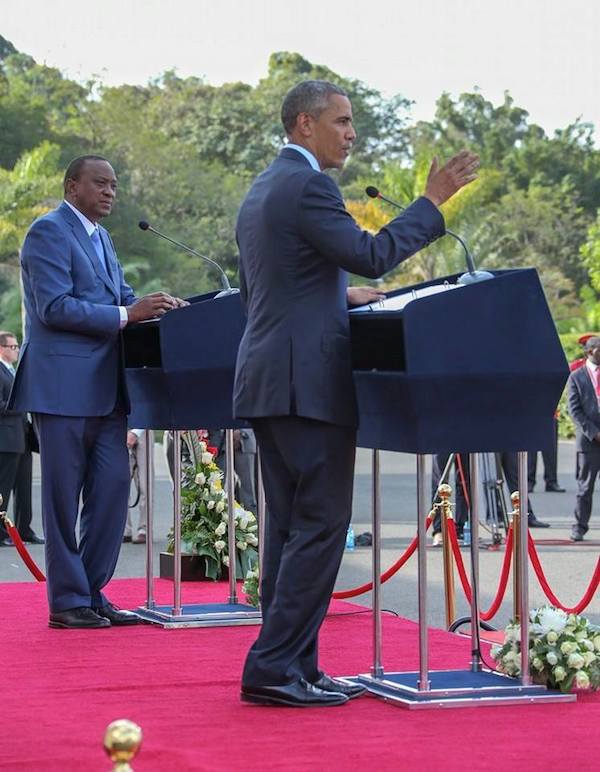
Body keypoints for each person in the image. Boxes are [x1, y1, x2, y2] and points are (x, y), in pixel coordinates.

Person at [233, 80, 479, 707]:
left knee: (291, 532)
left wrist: (335, 298)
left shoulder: (265, 186)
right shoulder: (310, 185)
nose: (351, 133)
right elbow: (371, 254)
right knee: (319, 527)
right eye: (341, 121)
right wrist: (431, 202)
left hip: (270, 379)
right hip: (304, 384)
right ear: (303, 124)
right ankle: (272, 667)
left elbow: (276, 286)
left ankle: (297, 665)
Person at [9, 155, 186, 628]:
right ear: (72, 186)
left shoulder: (103, 238)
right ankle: (67, 603)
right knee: (63, 499)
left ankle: (91, 591)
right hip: (63, 388)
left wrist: (162, 308)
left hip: (108, 390)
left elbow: (122, 297)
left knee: (110, 493)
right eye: (100, 183)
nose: (110, 192)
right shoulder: (48, 232)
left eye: (114, 185)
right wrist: (129, 315)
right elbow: (53, 307)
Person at [0, 331, 43, 546]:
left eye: (17, 346)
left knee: (24, 488)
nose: (16, 350)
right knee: (3, 489)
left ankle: (24, 529)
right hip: (6, 439)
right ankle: (1, 532)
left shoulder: (12, 370)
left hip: (22, 437)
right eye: (13, 347)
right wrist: (20, 403)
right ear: (1, 349)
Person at [567, 335, 600, 541]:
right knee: (585, 488)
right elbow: (575, 410)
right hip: (589, 443)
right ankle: (579, 527)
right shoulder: (576, 377)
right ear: (590, 351)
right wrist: (594, 433)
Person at [527, 415, 564, 492]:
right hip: (530, 411)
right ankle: (529, 481)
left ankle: (551, 481)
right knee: (530, 449)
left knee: (550, 449)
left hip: (549, 412)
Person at [124, 428, 148, 544]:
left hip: (144, 428)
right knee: (121, 483)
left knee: (145, 484)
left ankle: (144, 528)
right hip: (121, 425)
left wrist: (136, 432)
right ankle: (124, 529)